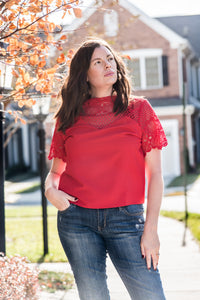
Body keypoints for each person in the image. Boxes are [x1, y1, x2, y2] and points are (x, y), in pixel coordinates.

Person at [45, 38, 168, 300]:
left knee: (151, 296)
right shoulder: (68, 115)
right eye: (97, 62)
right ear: (85, 74)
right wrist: (49, 190)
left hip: (127, 219)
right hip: (77, 220)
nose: (107, 65)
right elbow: (55, 172)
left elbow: (155, 174)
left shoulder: (139, 110)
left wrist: (151, 230)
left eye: (109, 59)